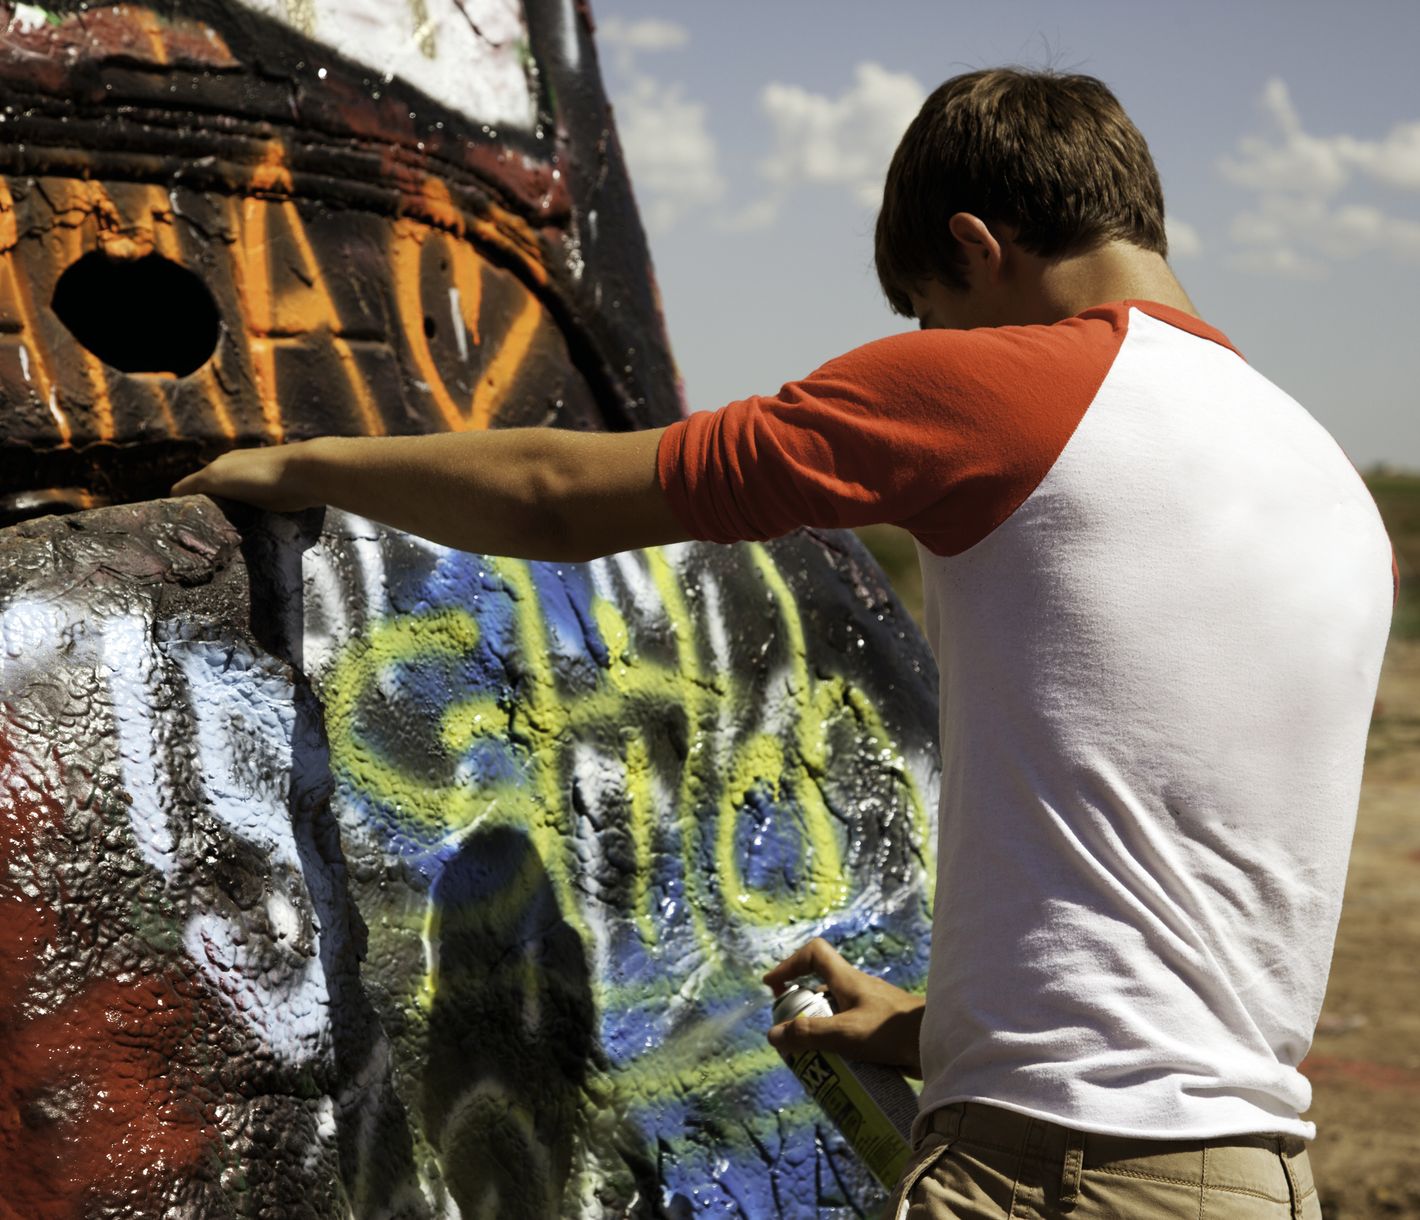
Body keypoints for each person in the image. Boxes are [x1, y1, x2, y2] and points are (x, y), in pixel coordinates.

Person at [174, 68, 1393, 1219]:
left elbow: (558, 490)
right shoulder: (1322, 480)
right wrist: (934, 1023)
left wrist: (296, 460)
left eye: (933, 312)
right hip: (1248, 1173)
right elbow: (1182, 888)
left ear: (976, 247)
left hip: (1052, 1173)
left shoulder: (1012, 391)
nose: (936, 341)